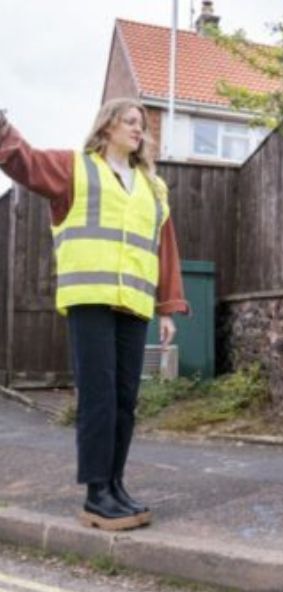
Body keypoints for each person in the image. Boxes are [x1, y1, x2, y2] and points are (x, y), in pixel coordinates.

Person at [0, 100, 189, 530]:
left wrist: (167, 306)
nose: (138, 130)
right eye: (129, 122)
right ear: (106, 128)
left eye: (141, 124)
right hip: (90, 297)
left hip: (135, 303)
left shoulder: (152, 187)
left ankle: (116, 485)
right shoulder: (75, 169)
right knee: (99, 397)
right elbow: (24, 162)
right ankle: (95, 492)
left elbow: (166, 249)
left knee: (125, 400)